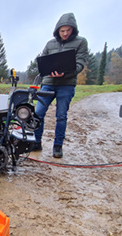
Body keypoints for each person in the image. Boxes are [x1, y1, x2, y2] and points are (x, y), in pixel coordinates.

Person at [33, 13, 88, 158]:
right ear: (57, 30)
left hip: (66, 85)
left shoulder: (81, 42)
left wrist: (66, 73)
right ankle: (36, 142)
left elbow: (80, 64)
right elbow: (42, 60)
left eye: (68, 30)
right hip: (48, 83)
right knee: (38, 113)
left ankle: (57, 146)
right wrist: (45, 71)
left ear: (73, 30)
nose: (65, 33)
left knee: (61, 116)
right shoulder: (50, 44)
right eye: (62, 31)